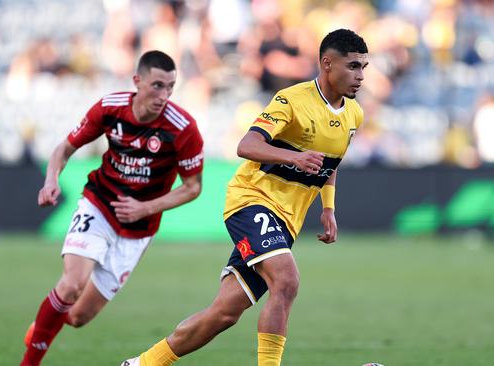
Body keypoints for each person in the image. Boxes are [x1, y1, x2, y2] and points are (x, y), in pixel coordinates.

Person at [121, 28, 368, 366]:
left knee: (223, 314)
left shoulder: (353, 114)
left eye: (363, 67)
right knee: (287, 280)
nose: (360, 76)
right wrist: (294, 157)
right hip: (252, 201)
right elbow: (246, 146)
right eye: (353, 66)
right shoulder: (291, 100)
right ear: (327, 63)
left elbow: (329, 163)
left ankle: (142, 364)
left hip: (286, 222)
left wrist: (328, 208)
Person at [20, 50, 204, 366]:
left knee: (77, 316)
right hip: (99, 205)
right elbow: (64, 149)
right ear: (137, 81)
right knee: (71, 285)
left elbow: (193, 187)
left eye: (170, 87)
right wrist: (51, 180)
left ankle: (43, 325)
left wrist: (145, 208)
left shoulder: (182, 128)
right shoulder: (111, 108)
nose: (164, 95)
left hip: (138, 229)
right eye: (157, 85)